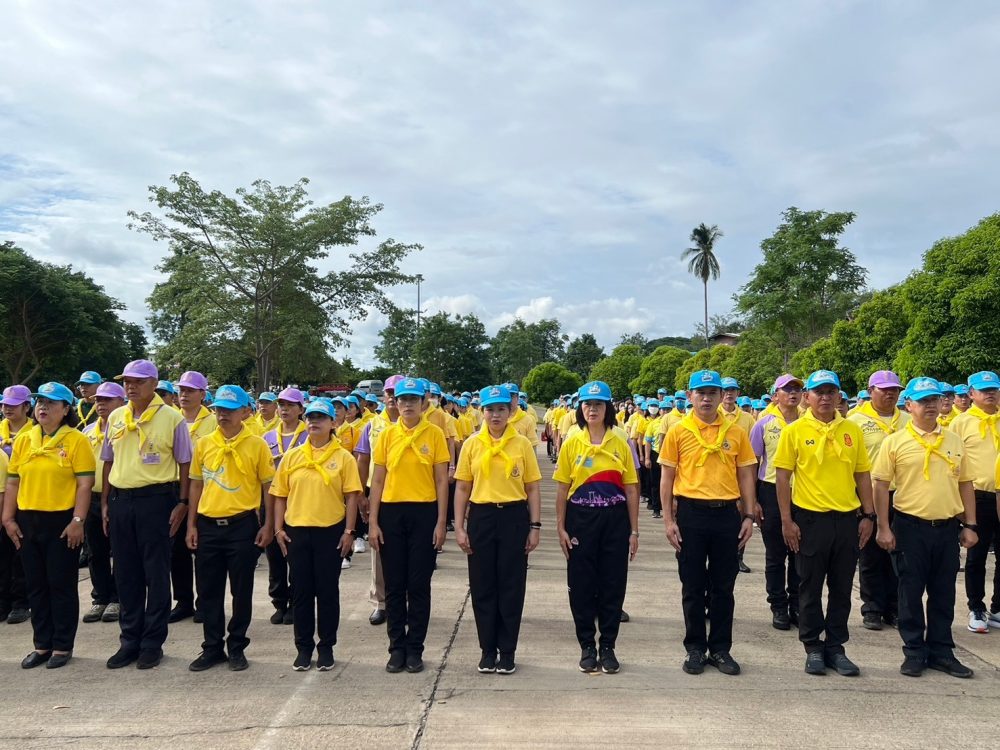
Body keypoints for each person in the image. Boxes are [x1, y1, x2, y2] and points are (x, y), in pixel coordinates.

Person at [873, 377, 978, 678]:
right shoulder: (895, 442)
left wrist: (970, 524)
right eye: (923, 401)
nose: (930, 405)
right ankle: (914, 651)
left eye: (934, 399)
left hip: (946, 528)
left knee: (944, 592)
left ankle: (942, 651)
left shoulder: (954, 440)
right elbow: (880, 486)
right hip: (910, 527)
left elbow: (965, 484)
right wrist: (883, 526)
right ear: (909, 405)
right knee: (910, 591)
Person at [773, 370, 875, 677]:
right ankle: (813, 646)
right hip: (810, 519)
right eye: (819, 392)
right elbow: (782, 477)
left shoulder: (852, 430)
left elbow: (862, 475)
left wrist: (869, 516)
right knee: (810, 586)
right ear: (807, 397)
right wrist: (787, 520)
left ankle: (836, 646)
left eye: (831, 392)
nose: (826, 398)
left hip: (846, 519)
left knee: (842, 587)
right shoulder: (794, 431)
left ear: (839, 396)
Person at [661, 371, 757, 676]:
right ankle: (695, 648)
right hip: (690, 515)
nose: (706, 398)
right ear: (690, 395)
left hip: (726, 515)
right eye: (700, 393)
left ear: (721, 396)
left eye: (712, 392)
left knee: (723, 587)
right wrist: (668, 520)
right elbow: (667, 477)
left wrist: (749, 515)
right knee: (692, 585)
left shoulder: (735, 432)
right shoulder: (678, 431)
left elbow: (746, 475)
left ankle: (720, 649)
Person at [101, 359, 192, 670]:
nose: (131, 386)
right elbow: (108, 461)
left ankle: (152, 643)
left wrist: (182, 502)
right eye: (127, 381)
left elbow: (185, 463)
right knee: (126, 573)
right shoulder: (116, 416)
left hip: (156, 500)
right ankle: (129, 640)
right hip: (121, 499)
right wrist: (105, 502)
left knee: (155, 573)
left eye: (138, 381)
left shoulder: (172, 418)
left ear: (154, 384)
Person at [3, 382, 95, 669]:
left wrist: (78, 520)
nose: (43, 407)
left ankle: (62, 645)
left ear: (66, 409)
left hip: (61, 521)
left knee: (60, 584)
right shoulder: (25, 439)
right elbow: (13, 482)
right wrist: (8, 518)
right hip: (27, 520)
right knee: (36, 585)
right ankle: (42, 644)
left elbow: (84, 484)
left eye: (51, 402)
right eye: (40, 401)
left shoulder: (76, 440)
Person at [454, 385, 542, 675]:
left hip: (514, 517)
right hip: (481, 517)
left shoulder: (521, 444)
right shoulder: (472, 444)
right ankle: (487, 650)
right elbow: (463, 487)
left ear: (511, 411)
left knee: (511, 586)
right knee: (482, 585)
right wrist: (460, 527)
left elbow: (532, 488)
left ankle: (507, 651)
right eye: (490, 409)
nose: (495, 415)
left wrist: (535, 526)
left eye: (501, 409)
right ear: (482, 411)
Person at [186, 385, 274, 672]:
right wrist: (191, 524)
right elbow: (196, 484)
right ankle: (212, 647)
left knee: (241, 590)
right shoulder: (204, 443)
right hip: (208, 525)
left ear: (245, 412)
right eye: (219, 409)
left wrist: (268, 525)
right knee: (208, 591)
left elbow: (268, 488)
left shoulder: (257, 445)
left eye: (230, 409)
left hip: (242, 526)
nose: (223, 414)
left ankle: (236, 645)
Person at [272, 397, 362, 671]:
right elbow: (280, 495)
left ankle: (326, 647)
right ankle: (303, 647)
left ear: (333, 423)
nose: (314, 422)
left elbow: (352, 497)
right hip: (297, 532)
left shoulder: (343, 458)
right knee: (300, 592)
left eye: (320, 417)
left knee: (327, 592)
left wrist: (349, 531)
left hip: (330, 532)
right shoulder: (292, 456)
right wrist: (278, 529)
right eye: (310, 417)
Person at [555, 381, 639, 674]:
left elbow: (631, 489)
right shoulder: (571, 442)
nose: (592, 409)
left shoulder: (621, 441)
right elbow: (562, 488)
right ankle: (587, 646)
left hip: (615, 519)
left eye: (598, 404)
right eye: (588, 404)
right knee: (581, 584)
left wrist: (634, 531)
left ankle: (608, 646)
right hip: (581, 518)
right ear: (580, 408)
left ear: (608, 408)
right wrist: (561, 527)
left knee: (613, 584)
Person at [368, 377, 449, 674]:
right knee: (394, 585)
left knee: (418, 585)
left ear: (423, 402)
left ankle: (415, 648)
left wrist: (441, 522)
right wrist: (373, 522)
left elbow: (441, 480)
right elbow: (378, 480)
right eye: (403, 399)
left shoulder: (435, 434)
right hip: (391, 513)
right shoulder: (387, 435)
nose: (408, 404)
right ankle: (396, 648)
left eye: (413, 399)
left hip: (424, 512)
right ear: (395, 402)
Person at [848, 370, 907, 631]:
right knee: (870, 554)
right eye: (884, 389)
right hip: (869, 493)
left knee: (897, 554)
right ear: (871, 390)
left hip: (902, 495)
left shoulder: (908, 419)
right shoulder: (855, 421)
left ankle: (894, 607)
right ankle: (872, 607)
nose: (890, 393)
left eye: (895, 389)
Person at [749, 374, 802, 630]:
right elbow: (752, 463)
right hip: (770, 491)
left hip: (803, 492)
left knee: (800, 553)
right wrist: (753, 500)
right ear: (775, 395)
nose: (792, 393)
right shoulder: (764, 424)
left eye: (797, 389)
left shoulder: (808, 422)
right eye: (787, 389)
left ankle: (797, 604)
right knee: (776, 554)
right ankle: (778, 605)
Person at [948, 371, 1000, 633]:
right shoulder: (961, 423)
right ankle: (976, 607)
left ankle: (998, 607)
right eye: (983, 390)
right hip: (978, 496)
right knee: (977, 555)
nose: (990, 394)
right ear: (971, 394)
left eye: (994, 389)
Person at [355, 375, 404, 628]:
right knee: (378, 549)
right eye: (389, 393)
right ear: (383, 397)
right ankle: (381, 602)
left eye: (397, 392)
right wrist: (361, 495)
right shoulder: (372, 425)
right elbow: (363, 460)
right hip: (379, 494)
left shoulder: (419, 424)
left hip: (410, 495)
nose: (393, 397)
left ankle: (404, 600)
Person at [171, 371, 216, 625]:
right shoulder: (171, 419)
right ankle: (183, 601)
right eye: (181, 390)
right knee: (177, 551)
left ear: (202, 394)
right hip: (175, 489)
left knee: (203, 551)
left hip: (204, 490)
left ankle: (205, 603)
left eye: (190, 390)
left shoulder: (213, 422)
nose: (184, 395)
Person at [81, 382, 125, 624]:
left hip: (117, 495)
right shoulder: (87, 432)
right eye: (98, 400)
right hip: (91, 497)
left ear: (121, 402)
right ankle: (100, 597)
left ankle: (117, 598)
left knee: (119, 549)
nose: (101, 404)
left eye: (107, 400)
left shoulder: (125, 429)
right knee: (95, 551)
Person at [263, 387, 307, 626]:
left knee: (296, 556)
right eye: (281, 405)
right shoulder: (267, 437)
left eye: (290, 405)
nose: (285, 409)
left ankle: (295, 602)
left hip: (299, 501)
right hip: (272, 499)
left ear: (301, 409)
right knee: (274, 555)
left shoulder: (308, 435)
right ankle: (279, 601)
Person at [0, 385, 33, 625]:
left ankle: (21, 602)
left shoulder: (36, 432)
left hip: (27, 498)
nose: (7, 408)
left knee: (21, 552)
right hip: (3, 495)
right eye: (4, 404)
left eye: (13, 404)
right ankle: (4, 601)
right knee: (3, 552)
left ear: (27, 407)